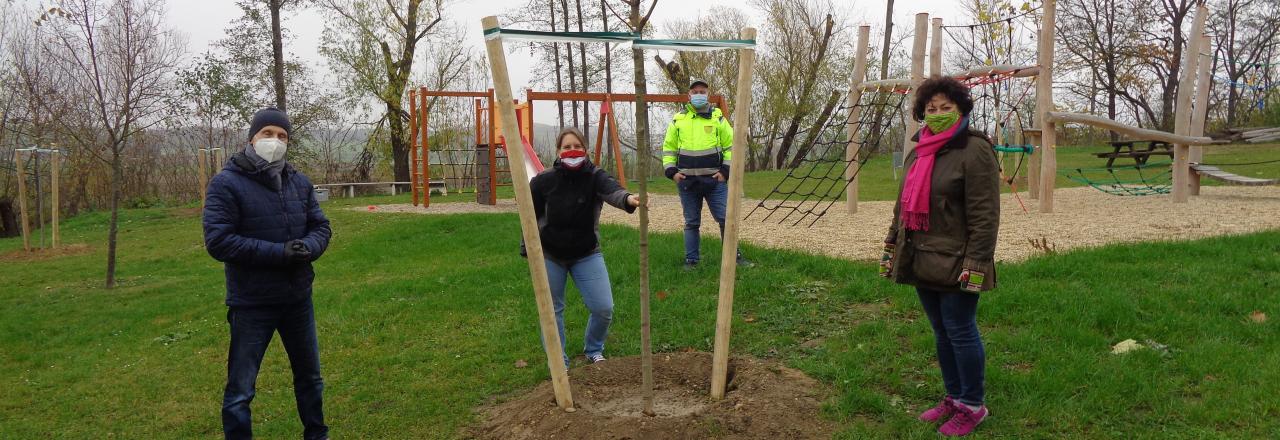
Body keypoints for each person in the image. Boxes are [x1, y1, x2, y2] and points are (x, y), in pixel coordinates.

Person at [880, 76, 1000, 437]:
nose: (938, 114)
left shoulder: (975, 150)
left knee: (961, 330)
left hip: (958, 260)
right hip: (920, 254)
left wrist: (976, 265)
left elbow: (985, 214)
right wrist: (892, 243)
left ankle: (973, 405)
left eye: (946, 107)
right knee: (940, 331)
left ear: (961, 108)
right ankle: (954, 396)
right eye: (931, 109)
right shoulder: (920, 149)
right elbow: (903, 204)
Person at [204, 107, 331, 440]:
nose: (275, 141)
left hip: (296, 298)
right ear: (252, 138)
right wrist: (279, 253)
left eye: (282, 136)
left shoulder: (298, 181)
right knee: (240, 391)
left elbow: (321, 226)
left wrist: (309, 247)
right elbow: (219, 242)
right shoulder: (226, 184)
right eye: (268, 133)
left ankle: (317, 435)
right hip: (252, 302)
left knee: (310, 380)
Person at [529, 127, 640, 368]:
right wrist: (527, 249)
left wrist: (629, 199)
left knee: (603, 307)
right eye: (567, 147)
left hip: (586, 253)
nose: (573, 151)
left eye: (577, 146)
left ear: (585, 150)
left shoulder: (594, 176)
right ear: (558, 152)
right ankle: (559, 363)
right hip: (550, 254)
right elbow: (529, 218)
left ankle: (594, 349)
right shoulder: (543, 181)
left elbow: (613, 191)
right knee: (551, 311)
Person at [661, 79, 750, 270]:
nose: (699, 95)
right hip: (687, 182)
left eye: (702, 91)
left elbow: (731, 147)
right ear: (689, 95)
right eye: (695, 92)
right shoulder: (678, 120)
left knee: (726, 219)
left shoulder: (717, 118)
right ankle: (691, 260)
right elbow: (668, 148)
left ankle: (735, 257)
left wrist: (725, 172)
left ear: (708, 95)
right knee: (691, 222)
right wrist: (672, 172)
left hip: (715, 181)